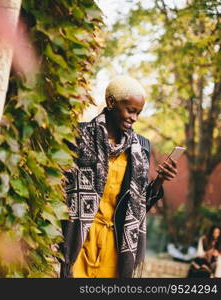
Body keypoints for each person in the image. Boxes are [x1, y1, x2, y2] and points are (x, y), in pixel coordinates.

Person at [60, 75, 179, 278]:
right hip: (79, 239)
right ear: (111, 102)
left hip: (116, 246)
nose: (134, 118)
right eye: (130, 110)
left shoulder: (140, 148)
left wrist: (160, 180)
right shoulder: (78, 137)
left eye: (138, 113)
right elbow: (60, 189)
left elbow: (141, 206)